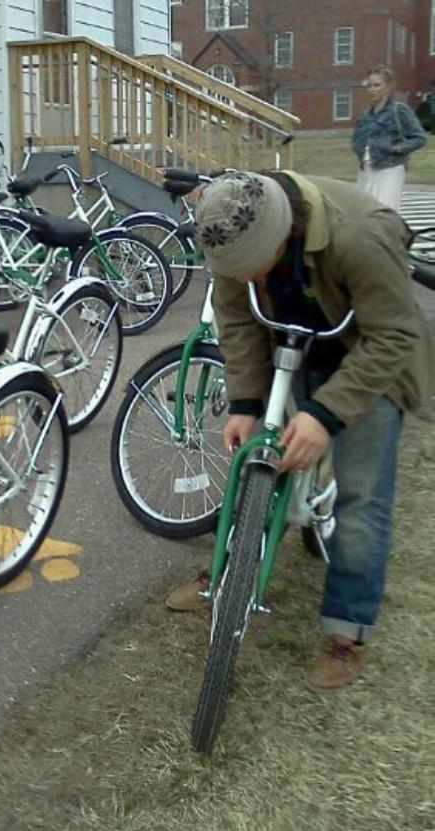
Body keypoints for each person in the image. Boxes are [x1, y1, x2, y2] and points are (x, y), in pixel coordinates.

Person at [165, 170, 433, 690]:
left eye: (256, 268)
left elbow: (394, 334)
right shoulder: (229, 228)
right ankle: (229, 576)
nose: (250, 278)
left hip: (368, 352)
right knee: (259, 464)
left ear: (284, 235)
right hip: (291, 336)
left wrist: (325, 414)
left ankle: (347, 630)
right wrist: (244, 401)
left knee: (360, 500)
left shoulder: (361, 235)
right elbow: (237, 318)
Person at [352, 65, 427, 212]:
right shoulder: (365, 115)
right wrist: (358, 148)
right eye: (369, 86)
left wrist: (397, 148)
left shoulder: (399, 110)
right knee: (364, 212)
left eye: (377, 85)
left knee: (385, 212)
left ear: (388, 87)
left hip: (390, 168)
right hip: (366, 169)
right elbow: (357, 139)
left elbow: (419, 138)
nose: (372, 89)